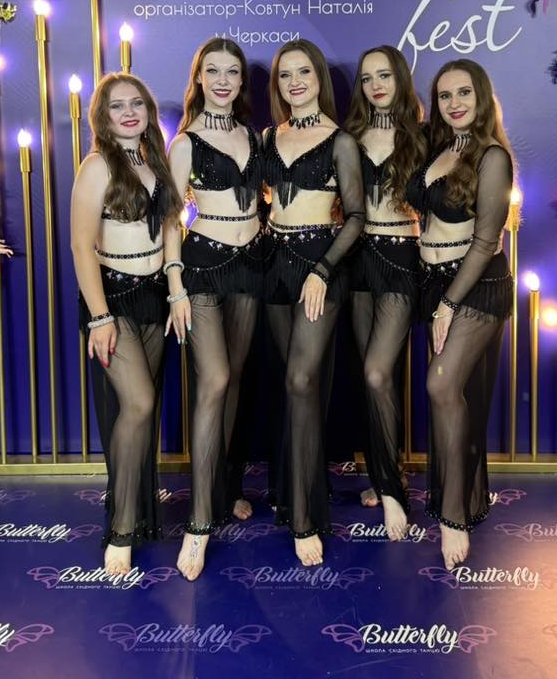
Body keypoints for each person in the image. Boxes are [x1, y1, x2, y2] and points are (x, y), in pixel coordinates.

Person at [71, 73, 181, 575]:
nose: (130, 112)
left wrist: (175, 287)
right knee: (138, 403)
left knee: (142, 411)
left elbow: (171, 224)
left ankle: (135, 509)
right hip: (112, 299)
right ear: (103, 116)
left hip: (154, 297)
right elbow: (81, 246)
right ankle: (120, 529)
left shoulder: (156, 160)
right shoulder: (97, 165)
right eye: (118, 106)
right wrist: (99, 317)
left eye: (137, 103)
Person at [405, 59, 513, 571]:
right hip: (434, 282)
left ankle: (452, 516)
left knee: (441, 384)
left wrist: (449, 303)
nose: (454, 103)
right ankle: (464, 496)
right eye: (445, 95)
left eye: (464, 93)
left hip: (478, 286)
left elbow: (486, 240)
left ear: (482, 96)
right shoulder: (439, 148)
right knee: (452, 391)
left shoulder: (492, 156)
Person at [165, 37, 264, 581]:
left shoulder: (254, 135)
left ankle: (224, 488)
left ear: (241, 81)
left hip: (250, 268)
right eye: (213, 71)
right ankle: (199, 523)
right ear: (199, 78)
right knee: (215, 381)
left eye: (232, 72)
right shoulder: (185, 142)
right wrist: (175, 284)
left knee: (236, 381)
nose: (223, 81)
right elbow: (169, 219)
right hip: (202, 268)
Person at [263, 38, 364, 567]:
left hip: (318, 265)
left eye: (304, 72)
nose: (295, 82)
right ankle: (292, 491)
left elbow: (356, 216)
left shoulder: (340, 141)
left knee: (303, 380)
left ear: (320, 78)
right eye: (285, 75)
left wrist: (323, 269)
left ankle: (305, 517)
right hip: (272, 266)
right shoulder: (268, 137)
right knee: (290, 384)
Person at [345, 46, 427, 540]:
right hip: (357, 260)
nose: (376, 85)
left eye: (384, 76)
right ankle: (384, 472)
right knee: (371, 376)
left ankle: (392, 490)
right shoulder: (349, 136)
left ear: (399, 80)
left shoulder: (421, 137)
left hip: (400, 260)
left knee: (378, 372)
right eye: (366, 77)